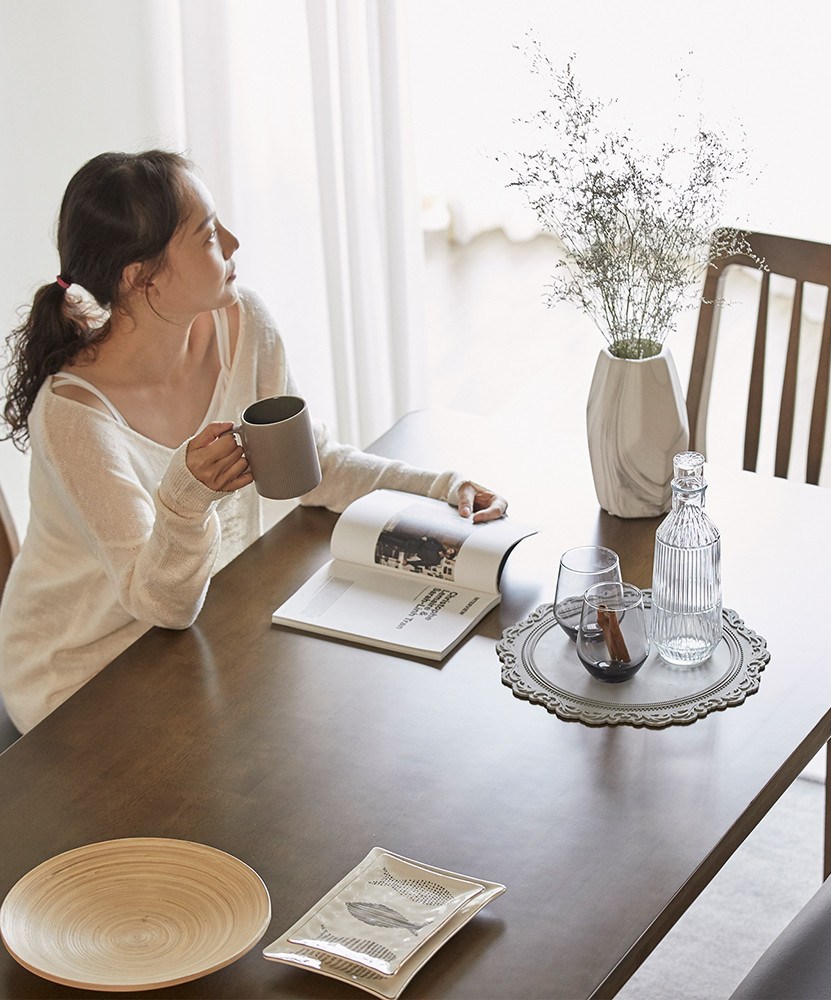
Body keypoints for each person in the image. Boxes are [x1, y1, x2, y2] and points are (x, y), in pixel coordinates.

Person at [0, 150, 507, 733]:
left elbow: (313, 466)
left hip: (204, 633)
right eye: (210, 234)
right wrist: (185, 500)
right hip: (81, 680)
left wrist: (442, 489)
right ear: (142, 278)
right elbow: (159, 604)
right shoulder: (75, 418)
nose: (234, 242)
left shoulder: (240, 323)